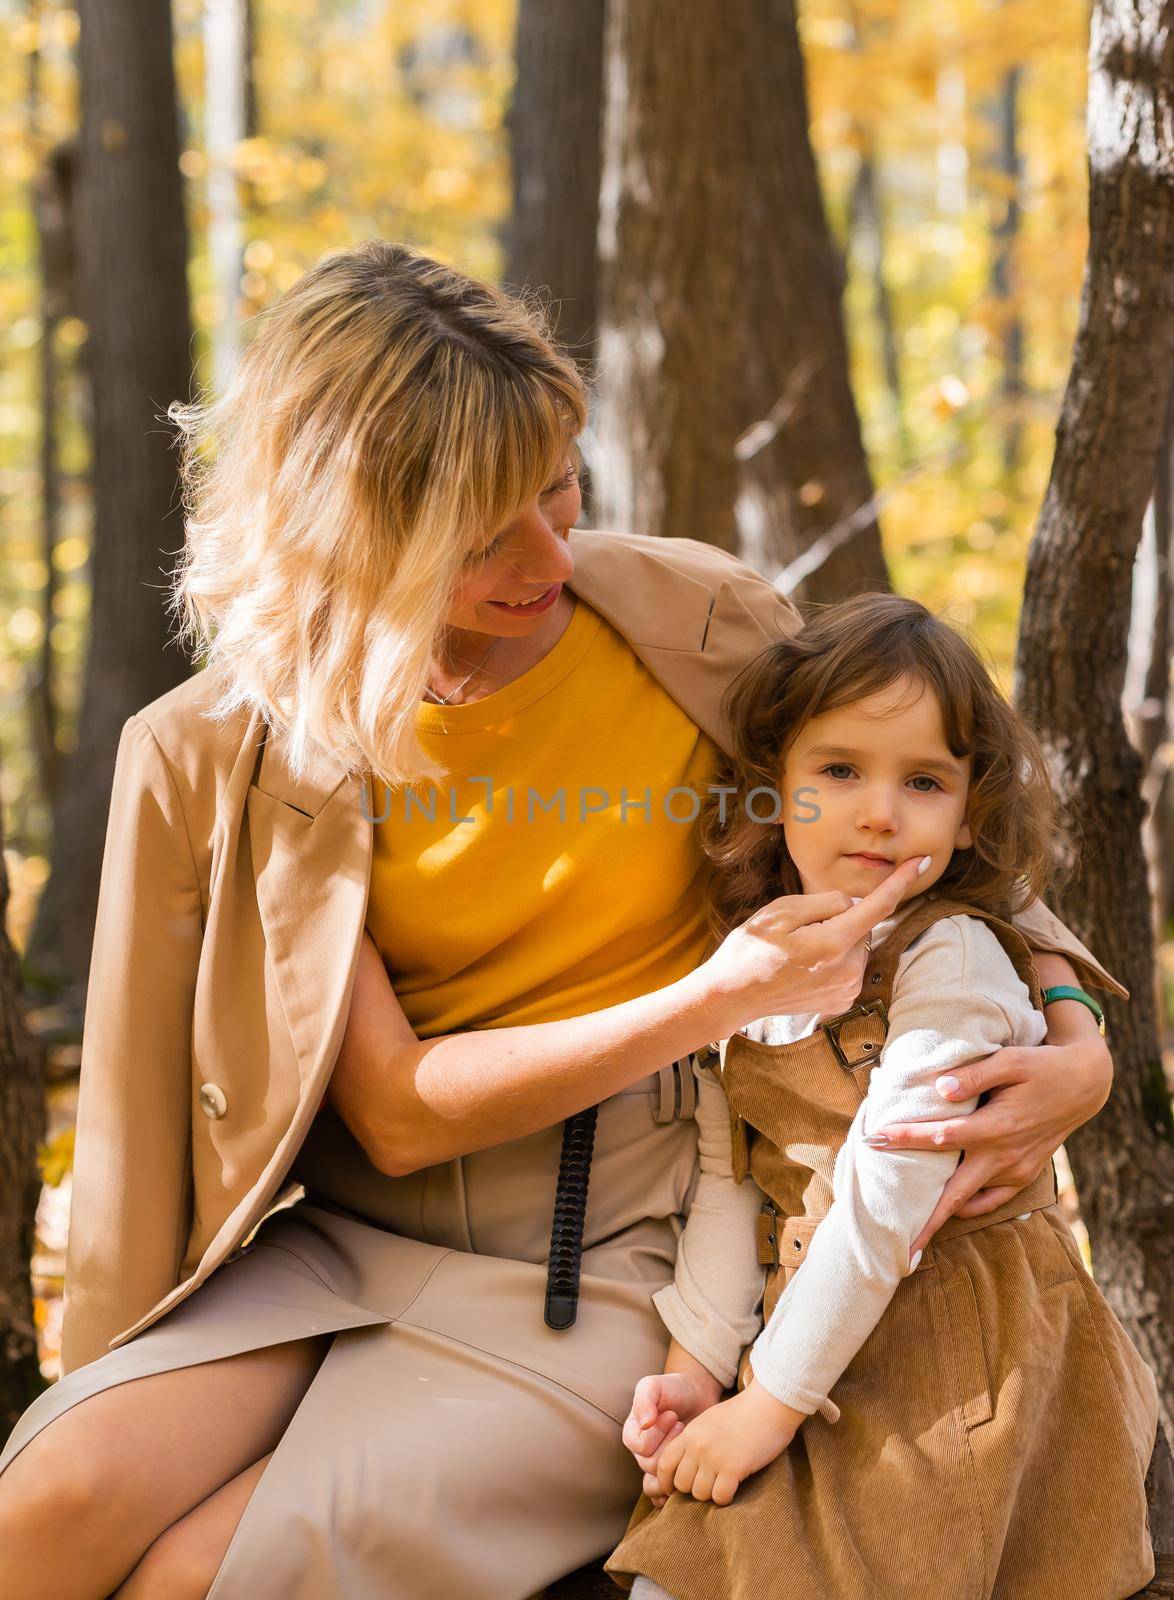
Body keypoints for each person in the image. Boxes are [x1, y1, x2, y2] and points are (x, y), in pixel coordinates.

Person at [0, 243, 1127, 1600]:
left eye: (558, 486)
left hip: (627, 1256)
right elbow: (350, 1115)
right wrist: (118, 1364)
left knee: (198, 1575)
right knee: (44, 1515)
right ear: (352, 527)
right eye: (486, 534)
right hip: (336, 1243)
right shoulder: (210, 753)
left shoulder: (698, 626)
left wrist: (1075, 1041)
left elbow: (923, 812)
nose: (552, 555)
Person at [605, 594, 1159, 1600]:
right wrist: (695, 1372)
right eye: (838, 770)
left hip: (966, 1362)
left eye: (923, 781)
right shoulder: (753, 966)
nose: (878, 810)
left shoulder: (950, 957)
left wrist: (764, 1407)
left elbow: (882, 1200)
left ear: (967, 809)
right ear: (775, 785)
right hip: (813, 1341)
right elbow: (733, 1188)